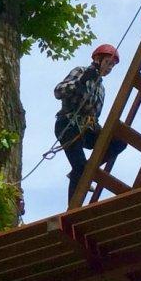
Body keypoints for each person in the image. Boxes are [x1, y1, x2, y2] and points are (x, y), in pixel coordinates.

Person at [54, 43, 127, 201]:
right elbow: (58, 91)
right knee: (80, 167)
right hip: (69, 125)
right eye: (108, 63)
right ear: (98, 60)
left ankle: (83, 169)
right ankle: (72, 207)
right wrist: (79, 83)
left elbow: (95, 115)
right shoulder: (80, 71)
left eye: (112, 66)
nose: (109, 68)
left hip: (88, 129)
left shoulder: (101, 88)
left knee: (119, 142)